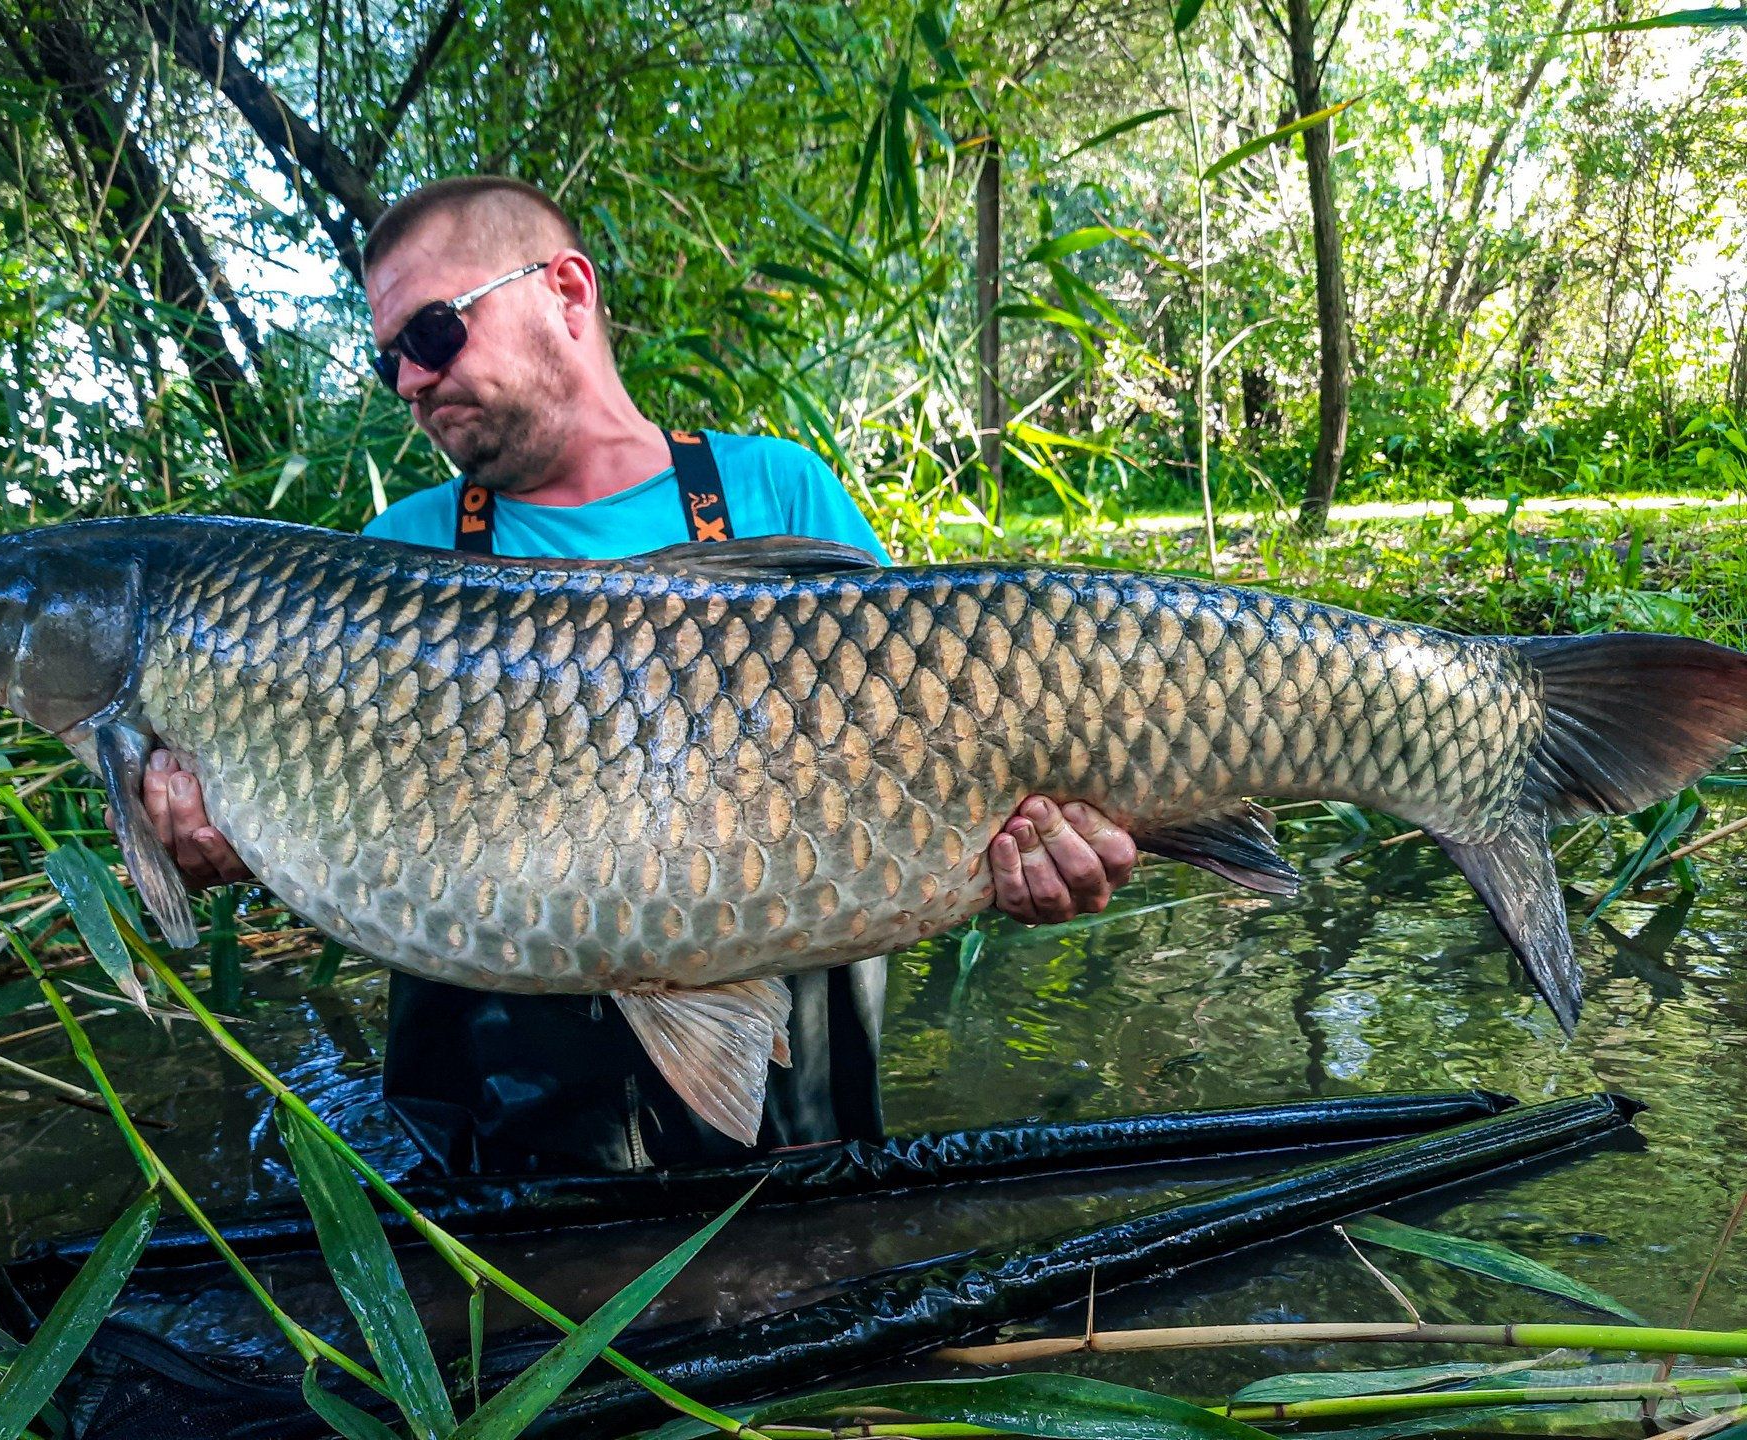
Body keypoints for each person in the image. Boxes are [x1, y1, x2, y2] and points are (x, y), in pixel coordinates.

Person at [139, 176, 1138, 1173]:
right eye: (389, 356)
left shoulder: (775, 490)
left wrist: (1041, 844)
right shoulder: (396, 557)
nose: (408, 380)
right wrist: (235, 836)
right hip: (518, 1161)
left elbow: (929, 752)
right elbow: (343, 836)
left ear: (567, 292)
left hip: (798, 1131)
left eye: (434, 334)